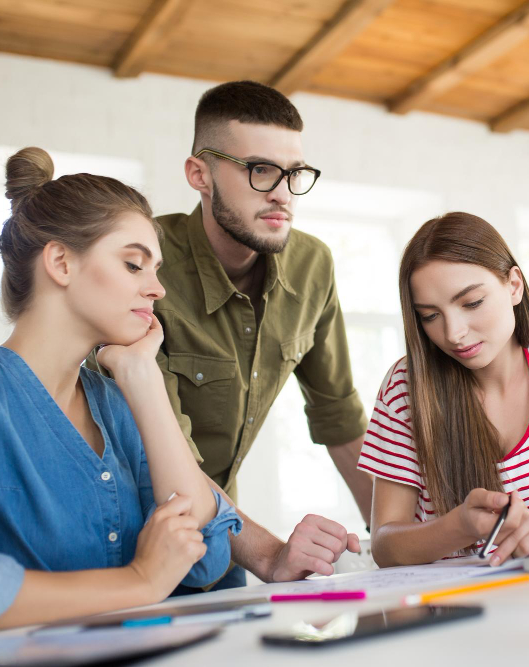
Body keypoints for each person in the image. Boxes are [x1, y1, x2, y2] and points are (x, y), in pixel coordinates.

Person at [0, 147, 241, 641]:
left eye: (157, 270)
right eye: (135, 265)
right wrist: (139, 581)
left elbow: (206, 557)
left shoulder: (116, 403)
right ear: (61, 263)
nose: (158, 289)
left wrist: (144, 378)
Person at [89, 80, 371, 585]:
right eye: (260, 170)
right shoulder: (141, 268)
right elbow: (161, 452)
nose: (282, 193)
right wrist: (268, 556)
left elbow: (340, 420)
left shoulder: (312, 266)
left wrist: (396, 538)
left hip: (219, 544)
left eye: (295, 173)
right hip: (119, 546)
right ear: (200, 173)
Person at [358, 213, 529, 567]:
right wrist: (460, 526)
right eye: (429, 316)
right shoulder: (404, 388)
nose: (454, 333)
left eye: (471, 303)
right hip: (452, 607)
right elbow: (384, 546)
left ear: (514, 285)